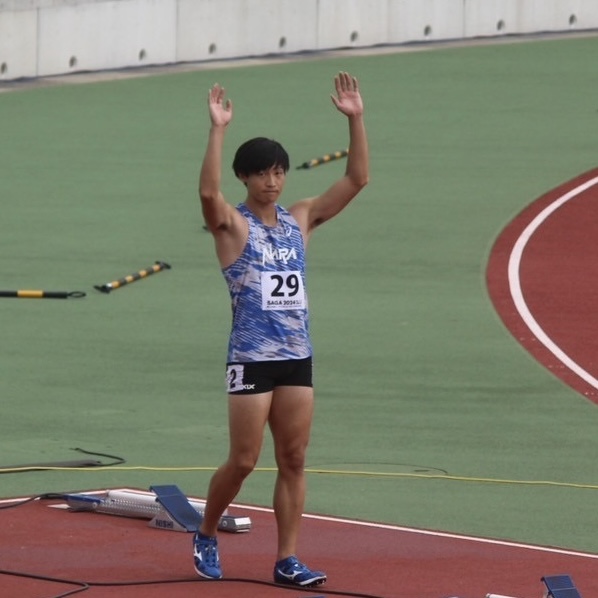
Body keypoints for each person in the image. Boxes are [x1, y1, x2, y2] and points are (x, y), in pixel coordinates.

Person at [194, 71, 369, 588]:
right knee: (245, 460)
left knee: (293, 458)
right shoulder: (233, 225)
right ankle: (206, 531)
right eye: (261, 174)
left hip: (297, 355)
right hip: (250, 357)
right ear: (245, 178)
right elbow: (208, 193)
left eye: (279, 172)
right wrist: (218, 129)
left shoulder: (302, 218)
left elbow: (356, 180)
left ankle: (287, 559)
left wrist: (356, 120)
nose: (272, 181)